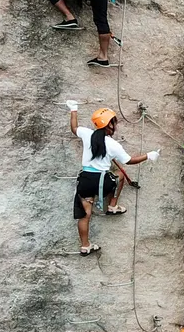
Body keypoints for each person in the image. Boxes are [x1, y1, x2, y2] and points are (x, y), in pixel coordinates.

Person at [66, 101, 158, 255]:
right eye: (115, 122)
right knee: (120, 175)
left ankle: (85, 245)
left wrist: (74, 110)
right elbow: (129, 161)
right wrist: (148, 155)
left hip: (86, 180)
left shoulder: (87, 134)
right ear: (109, 125)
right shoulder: (113, 145)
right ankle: (112, 206)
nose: (116, 125)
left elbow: (74, 128)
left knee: (85, 214)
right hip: (102, 181)